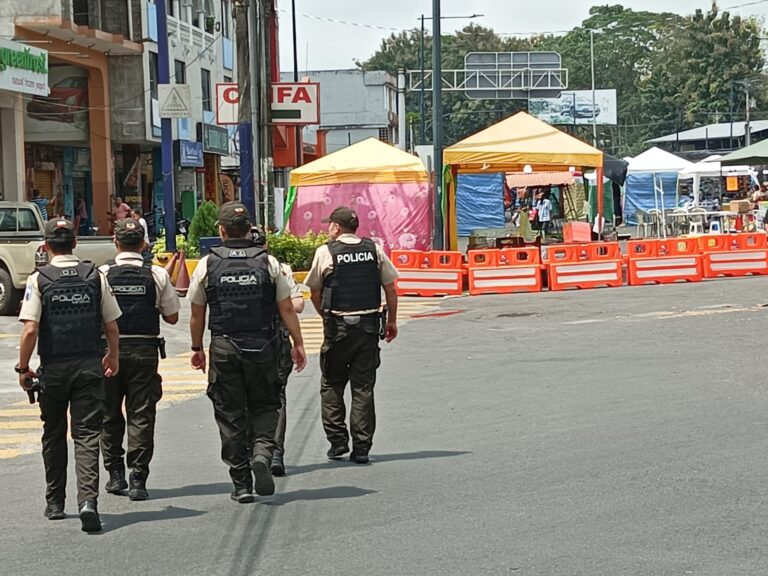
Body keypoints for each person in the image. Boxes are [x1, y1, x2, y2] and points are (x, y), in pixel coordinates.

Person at [188, 202, 307, 503]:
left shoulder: (207, 264)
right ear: (249, 229)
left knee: (229, 413)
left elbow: (196, 313)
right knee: (267, 404)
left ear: (222, 230)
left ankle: (241, 484)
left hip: (225, 346)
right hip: (264, 345)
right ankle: (263, 453)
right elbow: (286, 308)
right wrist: (299, 343)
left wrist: (196, 348)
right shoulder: (268, 262)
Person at [17, 218, 121, 533]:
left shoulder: (39, 280)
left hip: (54, 369)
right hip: (89, 366)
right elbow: (112, 324)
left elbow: (30, 329)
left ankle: (55, 502)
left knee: (53, 433)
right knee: (88, 434)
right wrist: (113, 356)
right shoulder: (94, 276)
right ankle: (88, 501)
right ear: (75, 242)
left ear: (46, 246)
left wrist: (23, 369)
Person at [305, 206, 399, 464]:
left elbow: (314, 290)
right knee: (363, 388)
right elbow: (391, 289)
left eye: (329, 225)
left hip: (336, 329)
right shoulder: (373, 250)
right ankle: (362, 448)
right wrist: (391, 321)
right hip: (368, 329)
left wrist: (324, 315)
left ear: (336, 227)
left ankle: (337, 443)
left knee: (332, 384)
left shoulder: (326, 252)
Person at [99, 219, 180, 501]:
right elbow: (172, 316)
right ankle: (137, 478)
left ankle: (115, 475)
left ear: (115, 242)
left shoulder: (102, 274)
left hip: (109, 352)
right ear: (144, 244)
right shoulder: (156, 274)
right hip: (145, 352)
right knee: (141, 414)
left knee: (109, 413)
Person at [250, 227, 305, 477]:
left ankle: (254, 453)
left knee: (244, 397)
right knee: (276, 397)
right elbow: (297, 304)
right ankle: (273, 453)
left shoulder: (221, 265)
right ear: (267, 245)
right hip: (276, 340)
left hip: (240, 342)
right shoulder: (279, 268)